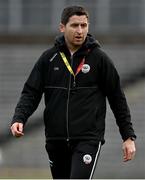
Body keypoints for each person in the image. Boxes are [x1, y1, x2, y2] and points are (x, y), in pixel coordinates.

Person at [10, 5, 136, 179]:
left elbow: (117, 98)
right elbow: (31, 93)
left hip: (88, 139)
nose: (80, 31)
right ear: (62, 27)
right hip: (56, 140)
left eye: (84, 26)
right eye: (74, 25)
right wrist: (19, 118)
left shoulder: (100, 59)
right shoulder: (48, 59)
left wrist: (128, 136)